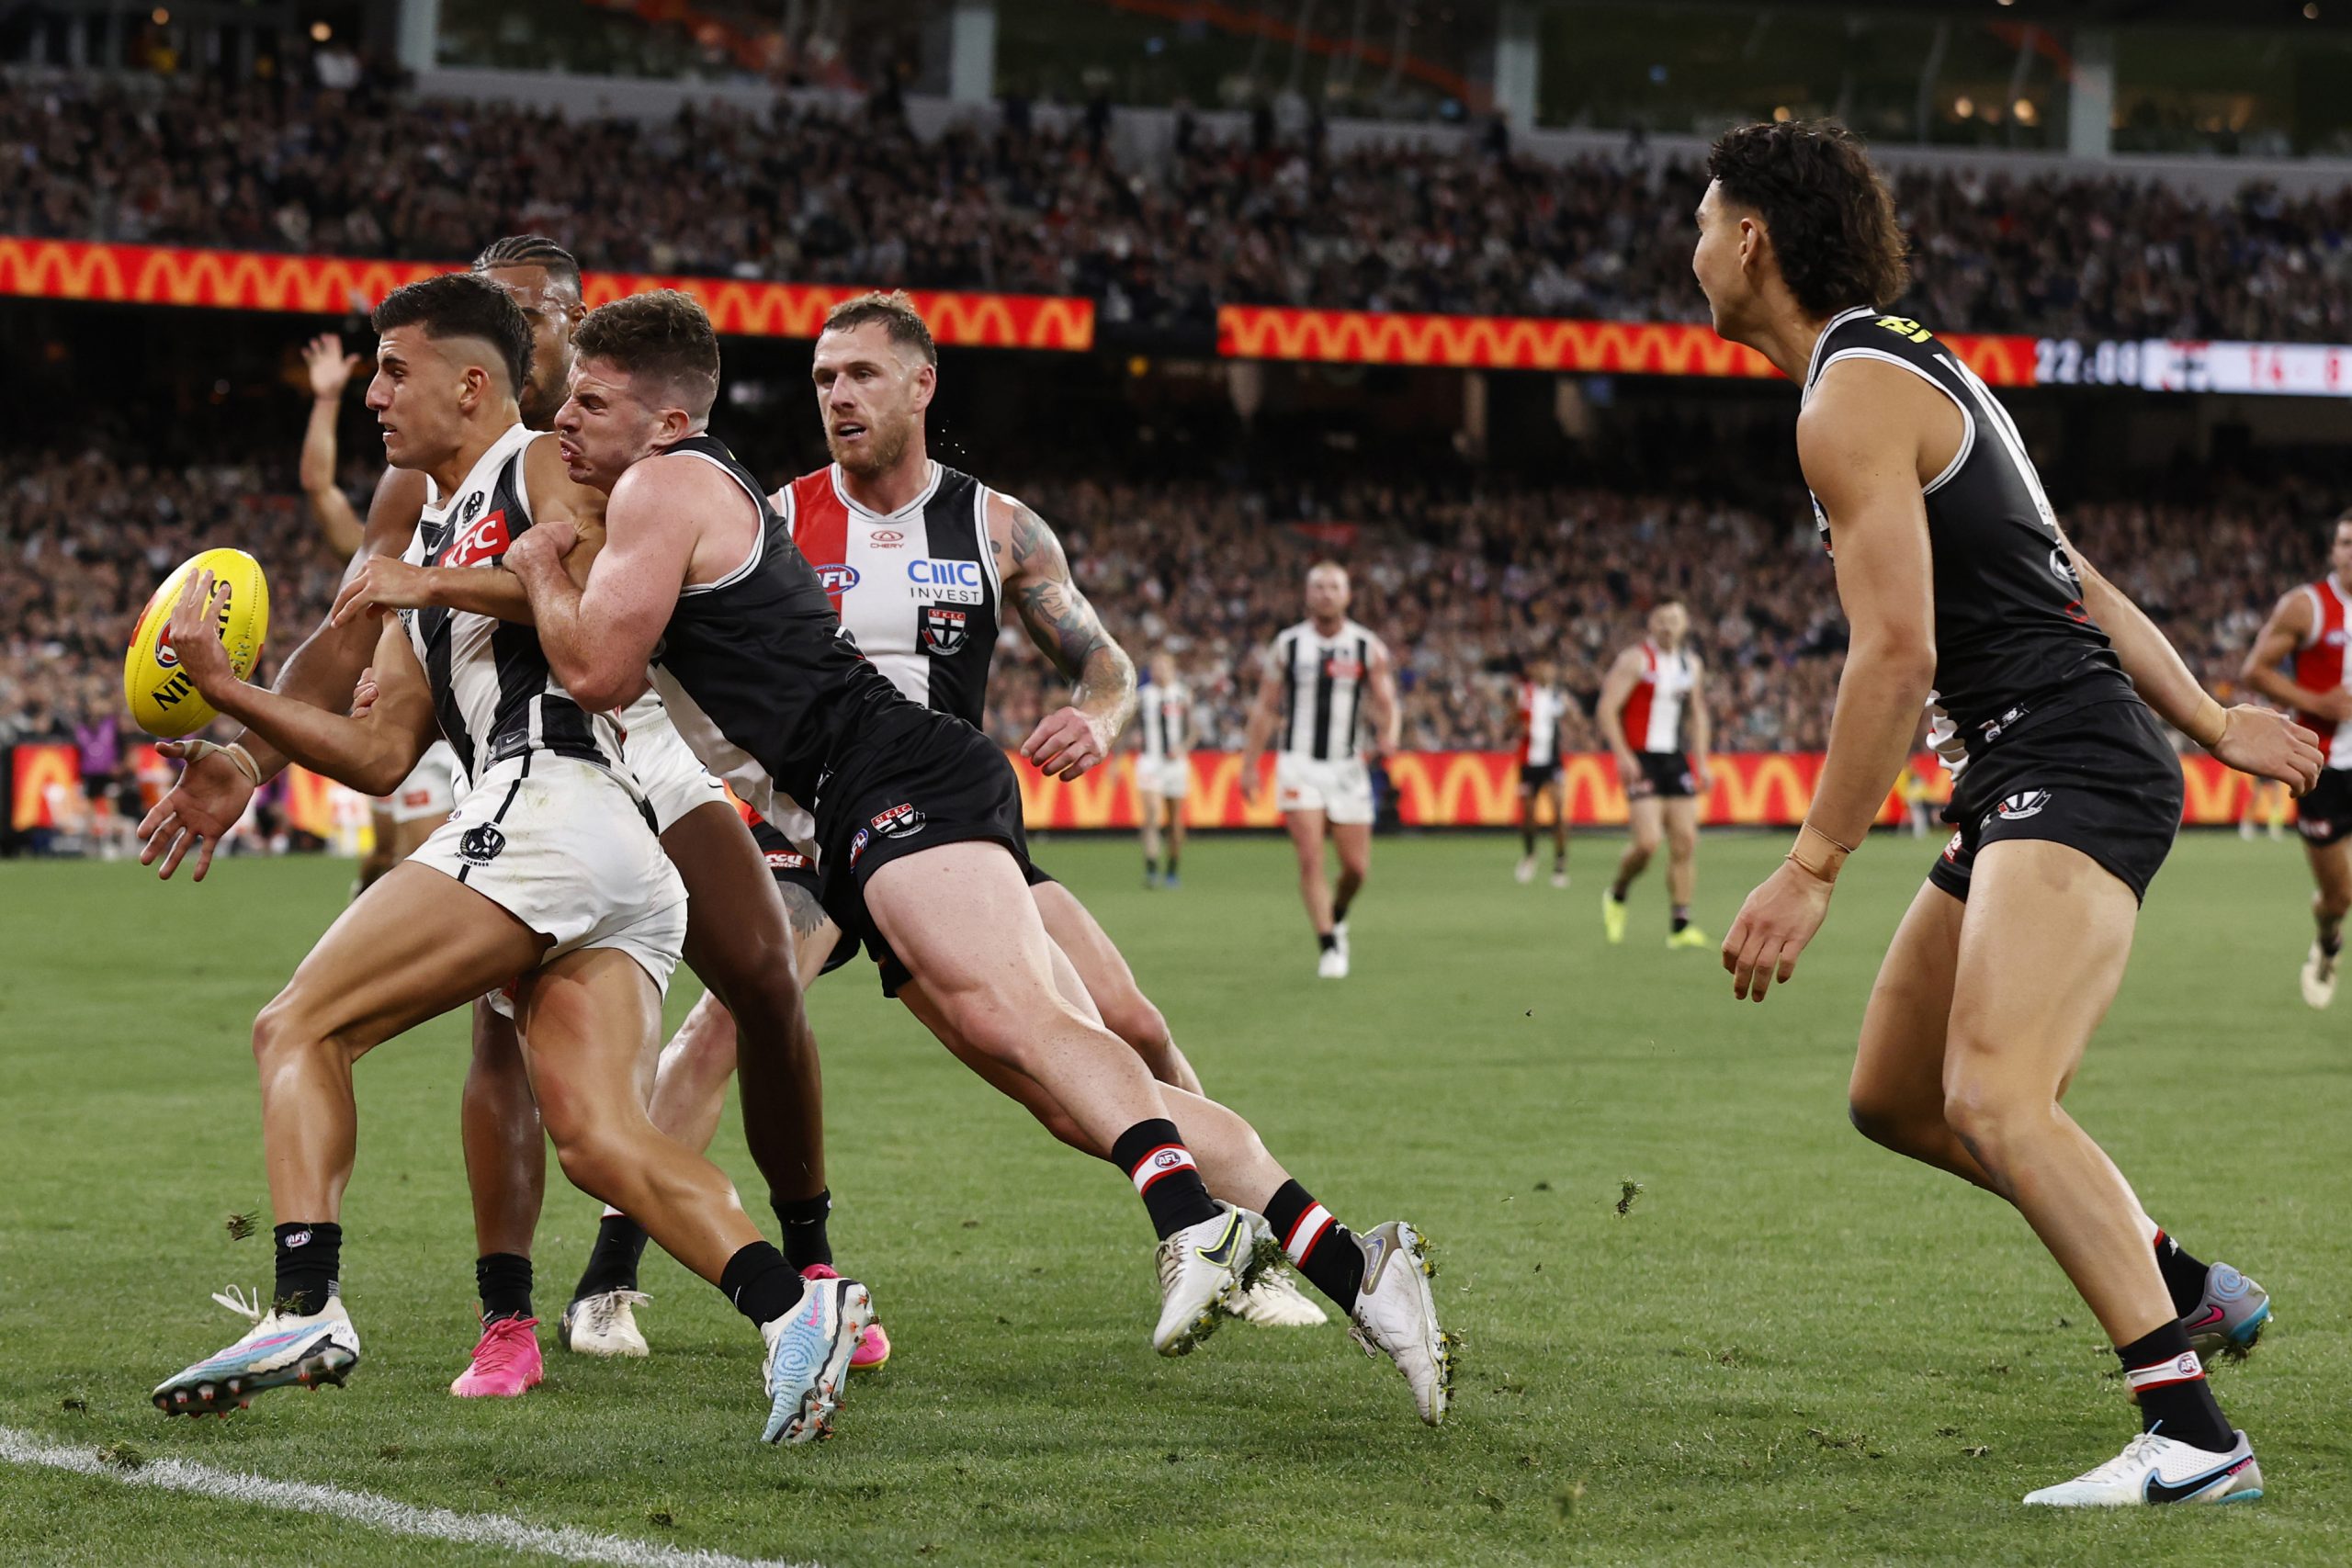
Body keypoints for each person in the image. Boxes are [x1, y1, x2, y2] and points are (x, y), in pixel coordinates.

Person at [509, 288, 1449, 1423]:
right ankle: (1357, 1268)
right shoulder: (771, 504)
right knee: (1024, 1076)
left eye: (860, 374)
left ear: (923, 383)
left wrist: (1096, 721)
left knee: (1081, 1025)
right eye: (821, 379)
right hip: (835, 825)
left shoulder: (989, 524)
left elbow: (1102, 666)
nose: (837, 396)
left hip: (911, 786)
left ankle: (1197, 1224)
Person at [1699, 118, 2316, 1506]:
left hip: (2066, 755)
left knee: (1995, 1091)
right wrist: (2215, 722)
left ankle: (2193, 1430)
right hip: (2038, 756)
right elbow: (2074, 574)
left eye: (1701, 220)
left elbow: (1898, 650)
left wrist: (1813, 863)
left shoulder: (1844, 395)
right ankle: (2177, 1278)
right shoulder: (1906, 365)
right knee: (1899, 1095)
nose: (1692, 252)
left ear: (1750, 239)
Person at [144, 275, 868, 1445]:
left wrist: (420, 585)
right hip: (613, 854)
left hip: (560, 800)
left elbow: (583, 568)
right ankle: (794, 1315)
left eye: (393, 371)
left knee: (300, 1026)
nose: (375, 394)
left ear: (471, 384)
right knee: (601, 1142)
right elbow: (382, 754)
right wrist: (237, 727)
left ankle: (306, 1307)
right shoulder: (432, 538)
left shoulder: (539, 463)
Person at [299, 330, 460, 895]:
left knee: (422, 864)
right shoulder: (386, 547)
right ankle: (364, 916)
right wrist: (325, 400)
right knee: (385, 857)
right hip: (395, 725)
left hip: (454, 737)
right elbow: (319, 487)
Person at [1238, 564, 1400, 979]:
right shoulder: (1288, 645)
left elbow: (1386, 701)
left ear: (1348, 595)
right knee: (1310, 858)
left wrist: (1390, 733)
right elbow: (1265, 708)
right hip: (1299, 764)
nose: (1326, 593)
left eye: (1334, 587)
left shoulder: (1366, 646)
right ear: (1306, 595)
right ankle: (1328, 944)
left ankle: (1338, 913)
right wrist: (1250, 764)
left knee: (1356, 868)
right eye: (1318, 587)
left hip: (1347, 766)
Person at [2234, 510, 2352, 1008]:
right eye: (2347, 543)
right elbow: (2254, 670)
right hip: (2322, 767)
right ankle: (2327, 943)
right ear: (2333, 551)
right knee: (2338, 898)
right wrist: (2315, 700)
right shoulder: (2307, 607)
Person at [1597, 603, 1713, 948]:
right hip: (1641, 759)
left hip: (1674, 759)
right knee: (1648, 843)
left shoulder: (1690, 664)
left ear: (1685, 625)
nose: (1667, 627)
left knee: (1685, 842)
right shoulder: (1635, 660)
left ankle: (1680, 926)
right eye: (1661, 620)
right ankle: (1617, 893)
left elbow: (1698, 713)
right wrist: (1622, 755)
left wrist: (1702, 761)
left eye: (1674, 620)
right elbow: (1607, 707)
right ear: (1651, 623)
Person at [1514, 656, 1572, 887]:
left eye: (1550, 667)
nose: (1546, 672)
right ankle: (1530, 855)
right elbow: (1514, 720)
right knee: (1529, 815)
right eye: (1542, 667)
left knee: (1558, 812)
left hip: (1552, 761)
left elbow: (1571, 721)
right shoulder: (1524, 694)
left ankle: (1560, 863)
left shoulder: (1559, 697)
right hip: (1528, 761)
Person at [1137, 651, 1193, 889]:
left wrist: (1183, 747)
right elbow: (1128, 726)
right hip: (1150, 761)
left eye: (1162, 665)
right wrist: (1117, 758)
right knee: (1151, 814)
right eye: (1155, 666)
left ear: (1172, 668)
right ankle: (1151, 868)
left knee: (1174, 821)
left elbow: (1193, 730)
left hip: (1175, 766)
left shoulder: (1182, 694)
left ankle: (1172, 869)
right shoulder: (1142, 696)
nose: (1158, 670)